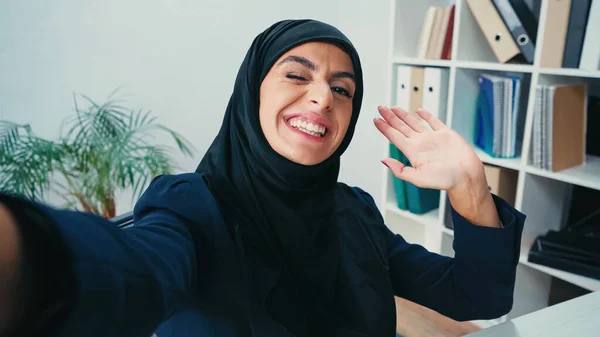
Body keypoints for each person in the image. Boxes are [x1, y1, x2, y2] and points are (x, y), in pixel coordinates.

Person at [0, 19, 525, 337]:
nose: (322, 97)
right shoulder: (191, 206)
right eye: (297, 75)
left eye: (342, 90)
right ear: (251, 93)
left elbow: (476, 296)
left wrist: (470, 185)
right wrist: (27, 255)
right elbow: (135, 270)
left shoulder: (354, 211)